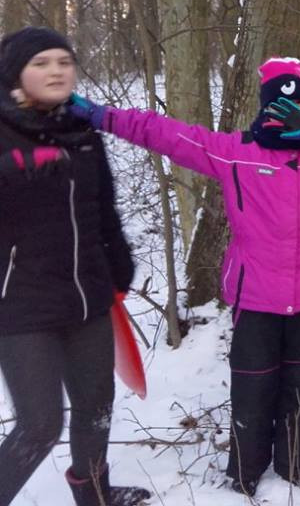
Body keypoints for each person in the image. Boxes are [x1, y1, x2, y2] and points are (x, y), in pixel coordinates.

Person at [69, 57, 300, 497]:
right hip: (255, 294)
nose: (284, 116)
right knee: (253, 388)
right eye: (277, 106)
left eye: (297, 109)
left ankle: (298, 465)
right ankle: (244, 473)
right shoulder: (235, 151)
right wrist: (101, 116)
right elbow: (162, 133)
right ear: (262, 108)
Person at [0, 27, 150, 506]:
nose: (56, 71)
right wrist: (11, 170)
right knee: (41, 424)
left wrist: (118, 259)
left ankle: (93, 492)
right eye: (42, 62)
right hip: (20, 304)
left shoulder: (81, 131)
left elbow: (103, 205)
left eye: (64, 62)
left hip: (87, 293)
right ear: (15, 73)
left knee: (97, 405)